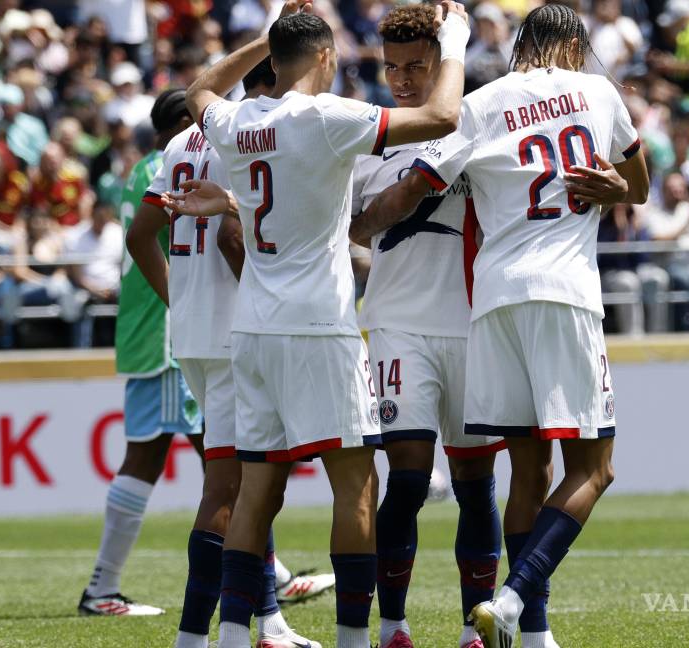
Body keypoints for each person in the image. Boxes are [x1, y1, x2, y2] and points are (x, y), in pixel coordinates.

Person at [178, 3, 470, 646]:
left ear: (274, 57)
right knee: (356, 487)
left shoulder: (234, 121)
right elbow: (444, 116)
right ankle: (352, 640)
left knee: (258, 489)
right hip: (318, 328)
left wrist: (265, 38)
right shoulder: (328, 117)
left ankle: (232, 638)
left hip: (251, 328)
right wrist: (454, 42)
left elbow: (196, 89)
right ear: (326, 58)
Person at [402, 5, 649, 646]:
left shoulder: (484, 103)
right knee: (595, 469)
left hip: (494, 298)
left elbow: (423, 180)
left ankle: (534, 635)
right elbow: (641, 185)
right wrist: (613, 188)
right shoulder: (597, 91)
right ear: (572, 43)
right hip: (565, 293)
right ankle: (513, 600)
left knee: (528, 472)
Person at [129, 60, 327, 648]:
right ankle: (193, 636)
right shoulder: (246, 134)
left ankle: (267, 622)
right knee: (228, 489)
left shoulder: (181, 143)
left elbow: (142, 235)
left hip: (193, 331)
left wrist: (178, 299)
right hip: (240, 331)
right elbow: (234, 234)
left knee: (251, 482)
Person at [346, 6, 503, 647]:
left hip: (472, 325)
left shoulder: (480, 125)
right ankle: (394, 627)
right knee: (408, 480)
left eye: (417, 66)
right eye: (393, 67)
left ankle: (475, 629)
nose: (403, 80)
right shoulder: (363, 139)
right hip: (397, 326)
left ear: (444, 63)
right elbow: (353, 230)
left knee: (474, 485)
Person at [76, 90, 200, 619]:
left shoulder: (139, 169)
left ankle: (102, 587)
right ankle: (101, 588)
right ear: (182, 123)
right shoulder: (175, 162)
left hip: (152, 331)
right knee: (224, 453)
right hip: (169, 334)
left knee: (174, 456)